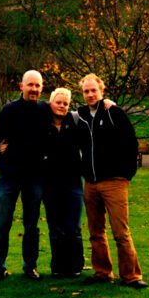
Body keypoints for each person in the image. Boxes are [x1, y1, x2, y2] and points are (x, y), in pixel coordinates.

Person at [76, 73, 147, 289]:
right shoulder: (80, 116)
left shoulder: (114, 113)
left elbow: (130, 144)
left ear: (101, 91)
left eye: (93, 90)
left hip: (114, 181)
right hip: (91, 183)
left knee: (120, 231)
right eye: (86, 91)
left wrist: (127, 174)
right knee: (96, 232)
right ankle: (102, 272)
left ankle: (131, 276)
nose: (90, 94)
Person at [0, 70, 48, 283]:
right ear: (21, 86)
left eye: (37, 85)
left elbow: (67, 113)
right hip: (9, 177)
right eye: (30, 85)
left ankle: (30, 266)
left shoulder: (45, 110)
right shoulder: (9, 110)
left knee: (31, 225)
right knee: (2, 224)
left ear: (42, 88)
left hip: (34, 177)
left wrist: (106, 103)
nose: (34, 89)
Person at [40, 87, 85, 278]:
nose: (62, 106)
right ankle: (58, 266)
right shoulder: (42, 124)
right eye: (58, 102)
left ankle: (75, 266)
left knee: (73, 227)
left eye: (65, 103)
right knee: (55, 227)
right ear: (51, 103)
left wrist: (110, 104)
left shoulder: (75, 123)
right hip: (50, 184)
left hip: (73, 183)